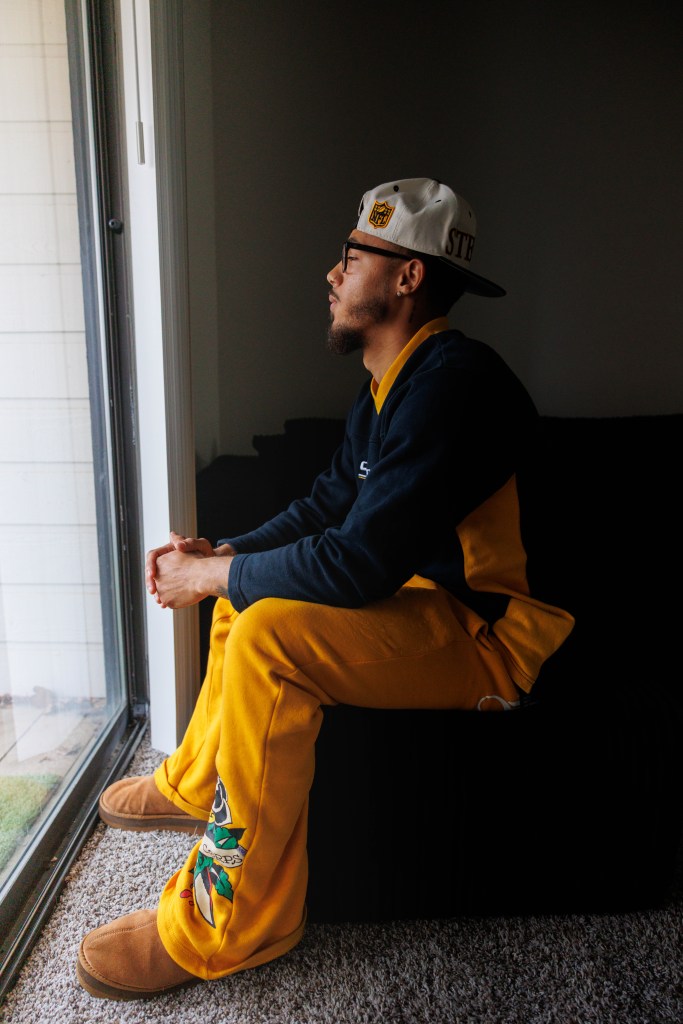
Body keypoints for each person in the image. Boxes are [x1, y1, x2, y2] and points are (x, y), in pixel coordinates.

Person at [76, 177, 575, 1000]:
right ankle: (198, 781)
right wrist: (225, 553)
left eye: (352, 255)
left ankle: (233, 926)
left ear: (407, 277)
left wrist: (209, 574)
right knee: (246, 598)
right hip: (433, 604)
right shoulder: (394, 378)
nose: (332, 273)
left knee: (268, 629)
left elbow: (357, 564)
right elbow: (327, 506)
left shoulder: (453, 383)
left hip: (495, 638)